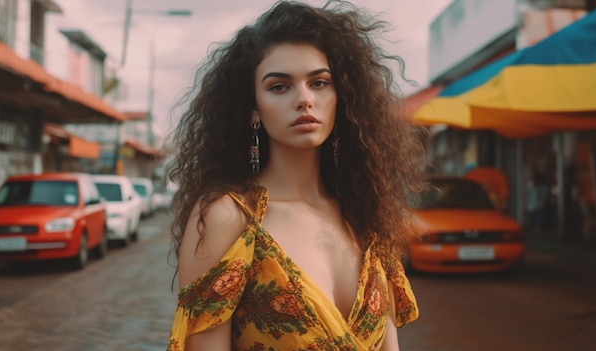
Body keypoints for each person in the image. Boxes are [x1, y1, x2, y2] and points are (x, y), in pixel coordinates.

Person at [165, 1, 429, 350]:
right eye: (279, 87)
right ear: (253, 111)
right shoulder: (230, 218)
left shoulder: (365, 216)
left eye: (319, 83)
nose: (305, 99)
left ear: (342, 97)